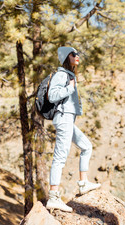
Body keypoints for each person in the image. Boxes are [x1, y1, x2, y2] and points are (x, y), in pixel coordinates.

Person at [46, 46, 101, 212]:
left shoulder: (69, 75)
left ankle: (83, 184)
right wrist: (70, 88)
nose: (77, 56)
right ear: (65, 57)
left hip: (68, 119)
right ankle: (53, 197)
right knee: (60, 157)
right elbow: (52, 95)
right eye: (73, 54)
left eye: (77, 53)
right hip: (63, 119)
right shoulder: (61, 74)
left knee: (86, 146)